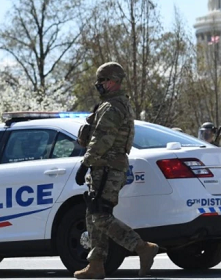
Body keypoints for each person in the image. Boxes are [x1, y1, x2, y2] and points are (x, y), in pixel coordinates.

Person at [73, 62, 160, 279]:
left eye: (101, 80)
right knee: (93, 214)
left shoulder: (112, 107)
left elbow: (103, 139)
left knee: (100, 216)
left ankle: (142, 247)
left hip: (107, 168)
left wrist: (85, 163)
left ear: (113, 81)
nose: (98, 85)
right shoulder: (116, 104)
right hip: (105, 167)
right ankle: (96, 264)